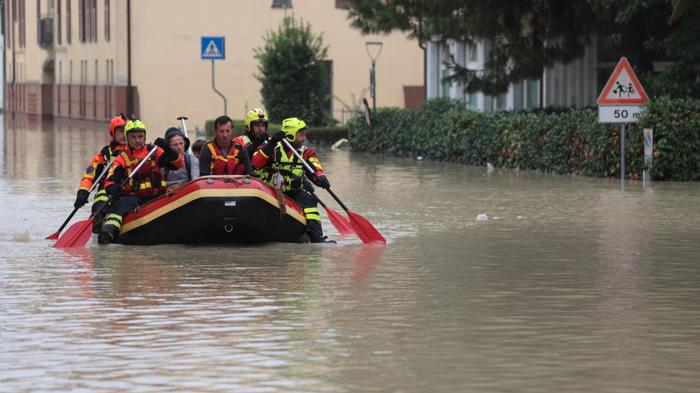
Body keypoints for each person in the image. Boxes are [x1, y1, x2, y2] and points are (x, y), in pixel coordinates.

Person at [98, 119, 183, 244]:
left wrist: (167, 148)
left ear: (145, 136)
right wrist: (113, 188)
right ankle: (107, 233)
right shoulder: (121, 157)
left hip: (156, 196)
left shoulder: (155, 151)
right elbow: (109, 181)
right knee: (119, 208)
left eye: (140, 136)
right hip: (131, 198)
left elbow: (178, 164)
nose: (137, 140)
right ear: (127, 138)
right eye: (133, 137)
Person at [251, 117, 333, 243]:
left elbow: (315, 169)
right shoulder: (271, 149)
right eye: (301, 135)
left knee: (311, 200)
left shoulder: (307, 153)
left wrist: (320, 178)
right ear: (290, 135)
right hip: (272, 191)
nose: (304, 138)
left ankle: (317, 238)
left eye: (304, 134)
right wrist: (272, 143)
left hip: (294, 192)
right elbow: (255, 163)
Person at [74, 114, 128, 233]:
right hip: (108, 189)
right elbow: (89, 175)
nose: (124, 134)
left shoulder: (135, 150)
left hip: (127, 188)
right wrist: (82, 191)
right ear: (112, 133)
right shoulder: (104, 154)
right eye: (120, 131)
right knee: (101, 199)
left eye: (126, 131)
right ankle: (97, 220)